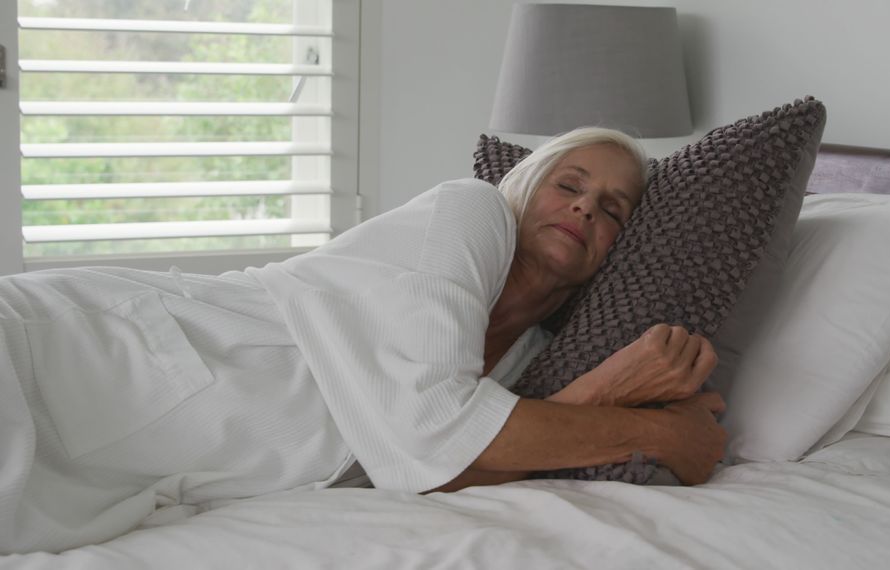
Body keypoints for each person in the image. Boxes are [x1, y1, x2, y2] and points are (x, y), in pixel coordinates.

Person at [0, 127, 727, 554]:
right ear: (525, 185)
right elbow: (437, 430)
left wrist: (590, 400)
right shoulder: (469, 214)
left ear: (619, 252)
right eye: (568, 183)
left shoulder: (531, 361)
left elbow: (435, 466)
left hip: (123, 464)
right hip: (84, 352)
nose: (583, 206)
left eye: (612, 209)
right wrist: (649, 430)